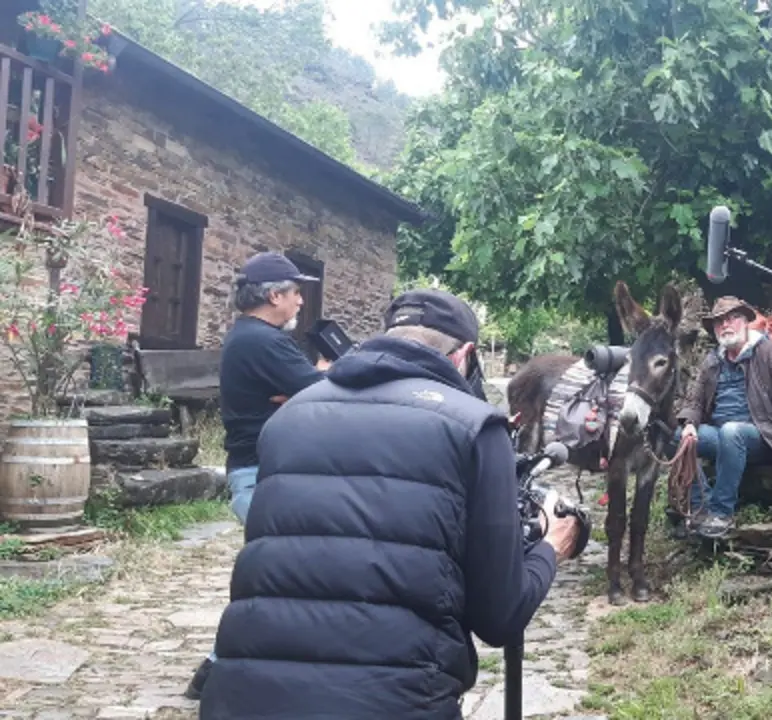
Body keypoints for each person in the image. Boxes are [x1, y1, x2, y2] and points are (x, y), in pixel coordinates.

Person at [197, 288, 580, 720]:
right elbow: (499, 616)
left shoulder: (286, 419)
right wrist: (551, 545)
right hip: (397, 701)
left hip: (244, 701)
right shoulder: (474, 428)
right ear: (465, 355)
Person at [184, 251, 330, 700]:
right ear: (274, 295)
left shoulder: (250, 338)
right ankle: (217, 670)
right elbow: (326, 392)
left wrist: (303, 394)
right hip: (260, 476)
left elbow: (308, 395)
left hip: (262, 474)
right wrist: (321, 378)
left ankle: (223, 669)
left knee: (286, 571)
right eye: (295, 293)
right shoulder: (263, 342)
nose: (301, 302)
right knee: (282, 573)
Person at [674, 296, 772, 539]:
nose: (726, 325)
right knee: (676, 436)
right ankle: (701, 508)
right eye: (719, 322)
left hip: (766, 434)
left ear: (745, 322)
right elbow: (694, 402)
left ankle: (722, 513)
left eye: (732, 318)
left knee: (732, 432)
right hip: (722, 436)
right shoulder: (712, 361)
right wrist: (689, 424)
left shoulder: (770, 353)